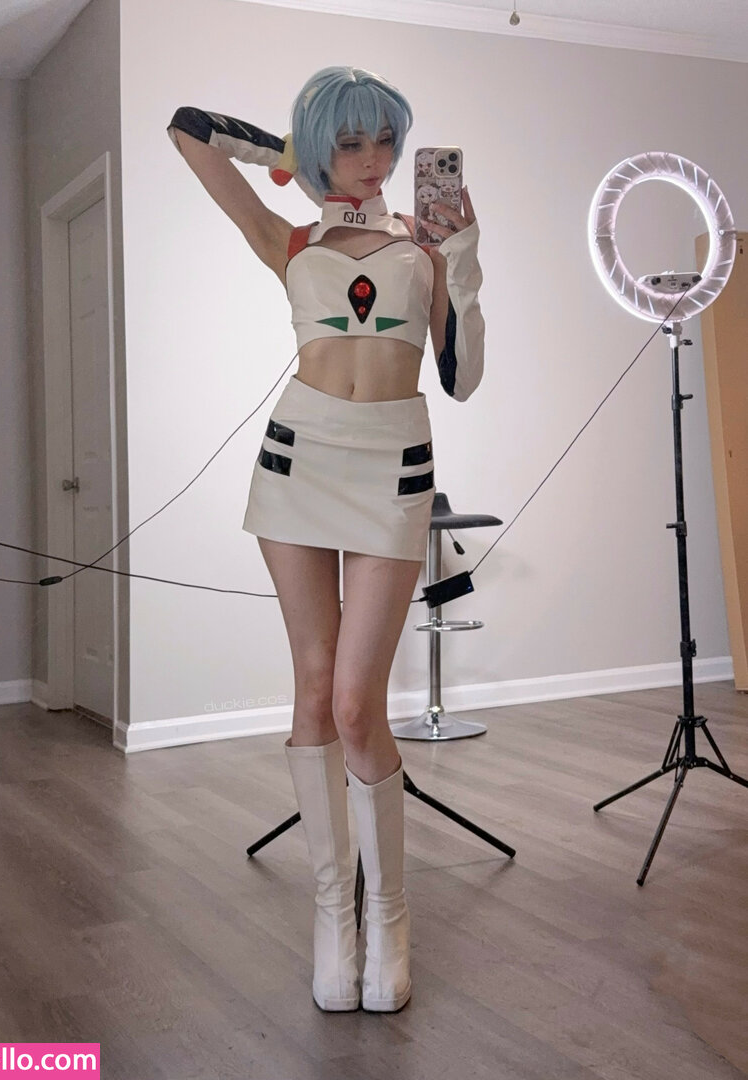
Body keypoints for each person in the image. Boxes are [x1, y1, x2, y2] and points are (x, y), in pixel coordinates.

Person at [167, 65, 485, 1014]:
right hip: (296, 461)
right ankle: (330, 915)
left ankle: (388, 913)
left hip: (393, 468)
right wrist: (294, 157)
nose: (374, 159)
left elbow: (462, 376)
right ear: (322, 149)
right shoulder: (292, 239)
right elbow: (188, 129)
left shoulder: (424, 245)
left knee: (355, 704)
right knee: (312, 687)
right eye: (351, 142)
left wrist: (462, 255)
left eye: (384, 140)